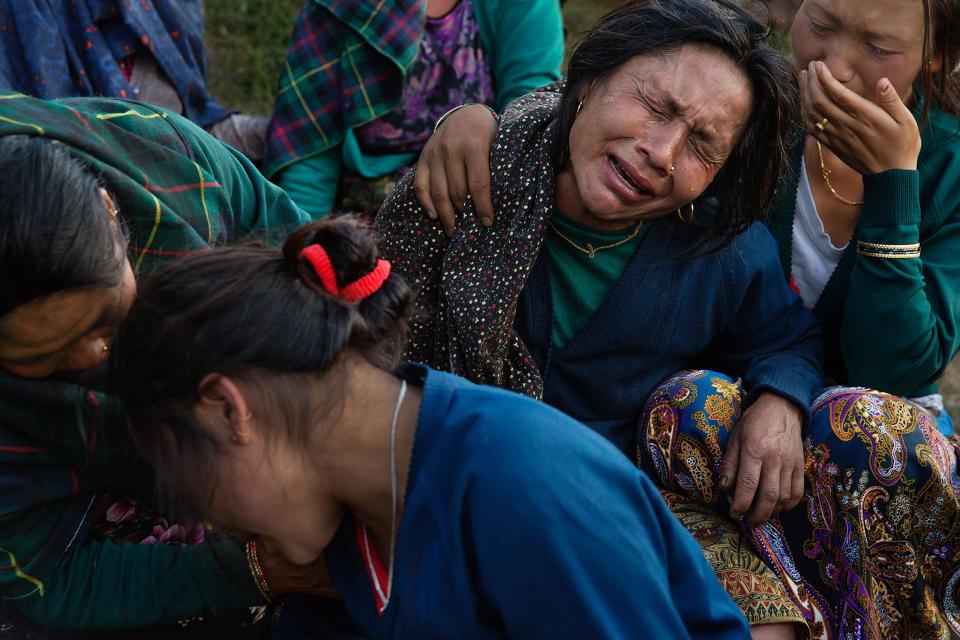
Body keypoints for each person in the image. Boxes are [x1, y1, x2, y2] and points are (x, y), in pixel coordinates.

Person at [412, 0, 960, 635]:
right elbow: (594, 108)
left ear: (936, 54)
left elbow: (888, 367)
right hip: (705, 424)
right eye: (823, 26)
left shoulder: (934, 167)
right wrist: (471, 119)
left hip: (858, 419)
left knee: (861, 431)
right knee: (685, 404)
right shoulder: (752, 117)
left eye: (879, 48)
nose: (834, 65)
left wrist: (894, 180)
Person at [109, 215, 752, 639]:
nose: (211, 522)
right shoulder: (354, 524)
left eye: (184, 478)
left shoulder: (523, 486)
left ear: (228, 410)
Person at [0, 92, 318, 637]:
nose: (95, 358)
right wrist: (247, 572)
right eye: (42, 357)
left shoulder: (161, 159)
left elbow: (307, 268)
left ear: (109, 208)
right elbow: (54, 579)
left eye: (102, 319)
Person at [263, 0, 564, 219]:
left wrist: (477, 120)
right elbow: (312, 151)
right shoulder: (340, 8)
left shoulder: (524, 7)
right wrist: (304, 247)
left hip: (468, 209)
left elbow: (529, 114)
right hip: (356, 213)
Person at [0, 0, 269, 161]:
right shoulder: (29, 29)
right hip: (78, 171)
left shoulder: (159, 21)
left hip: (179, 141)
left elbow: (196, 127)